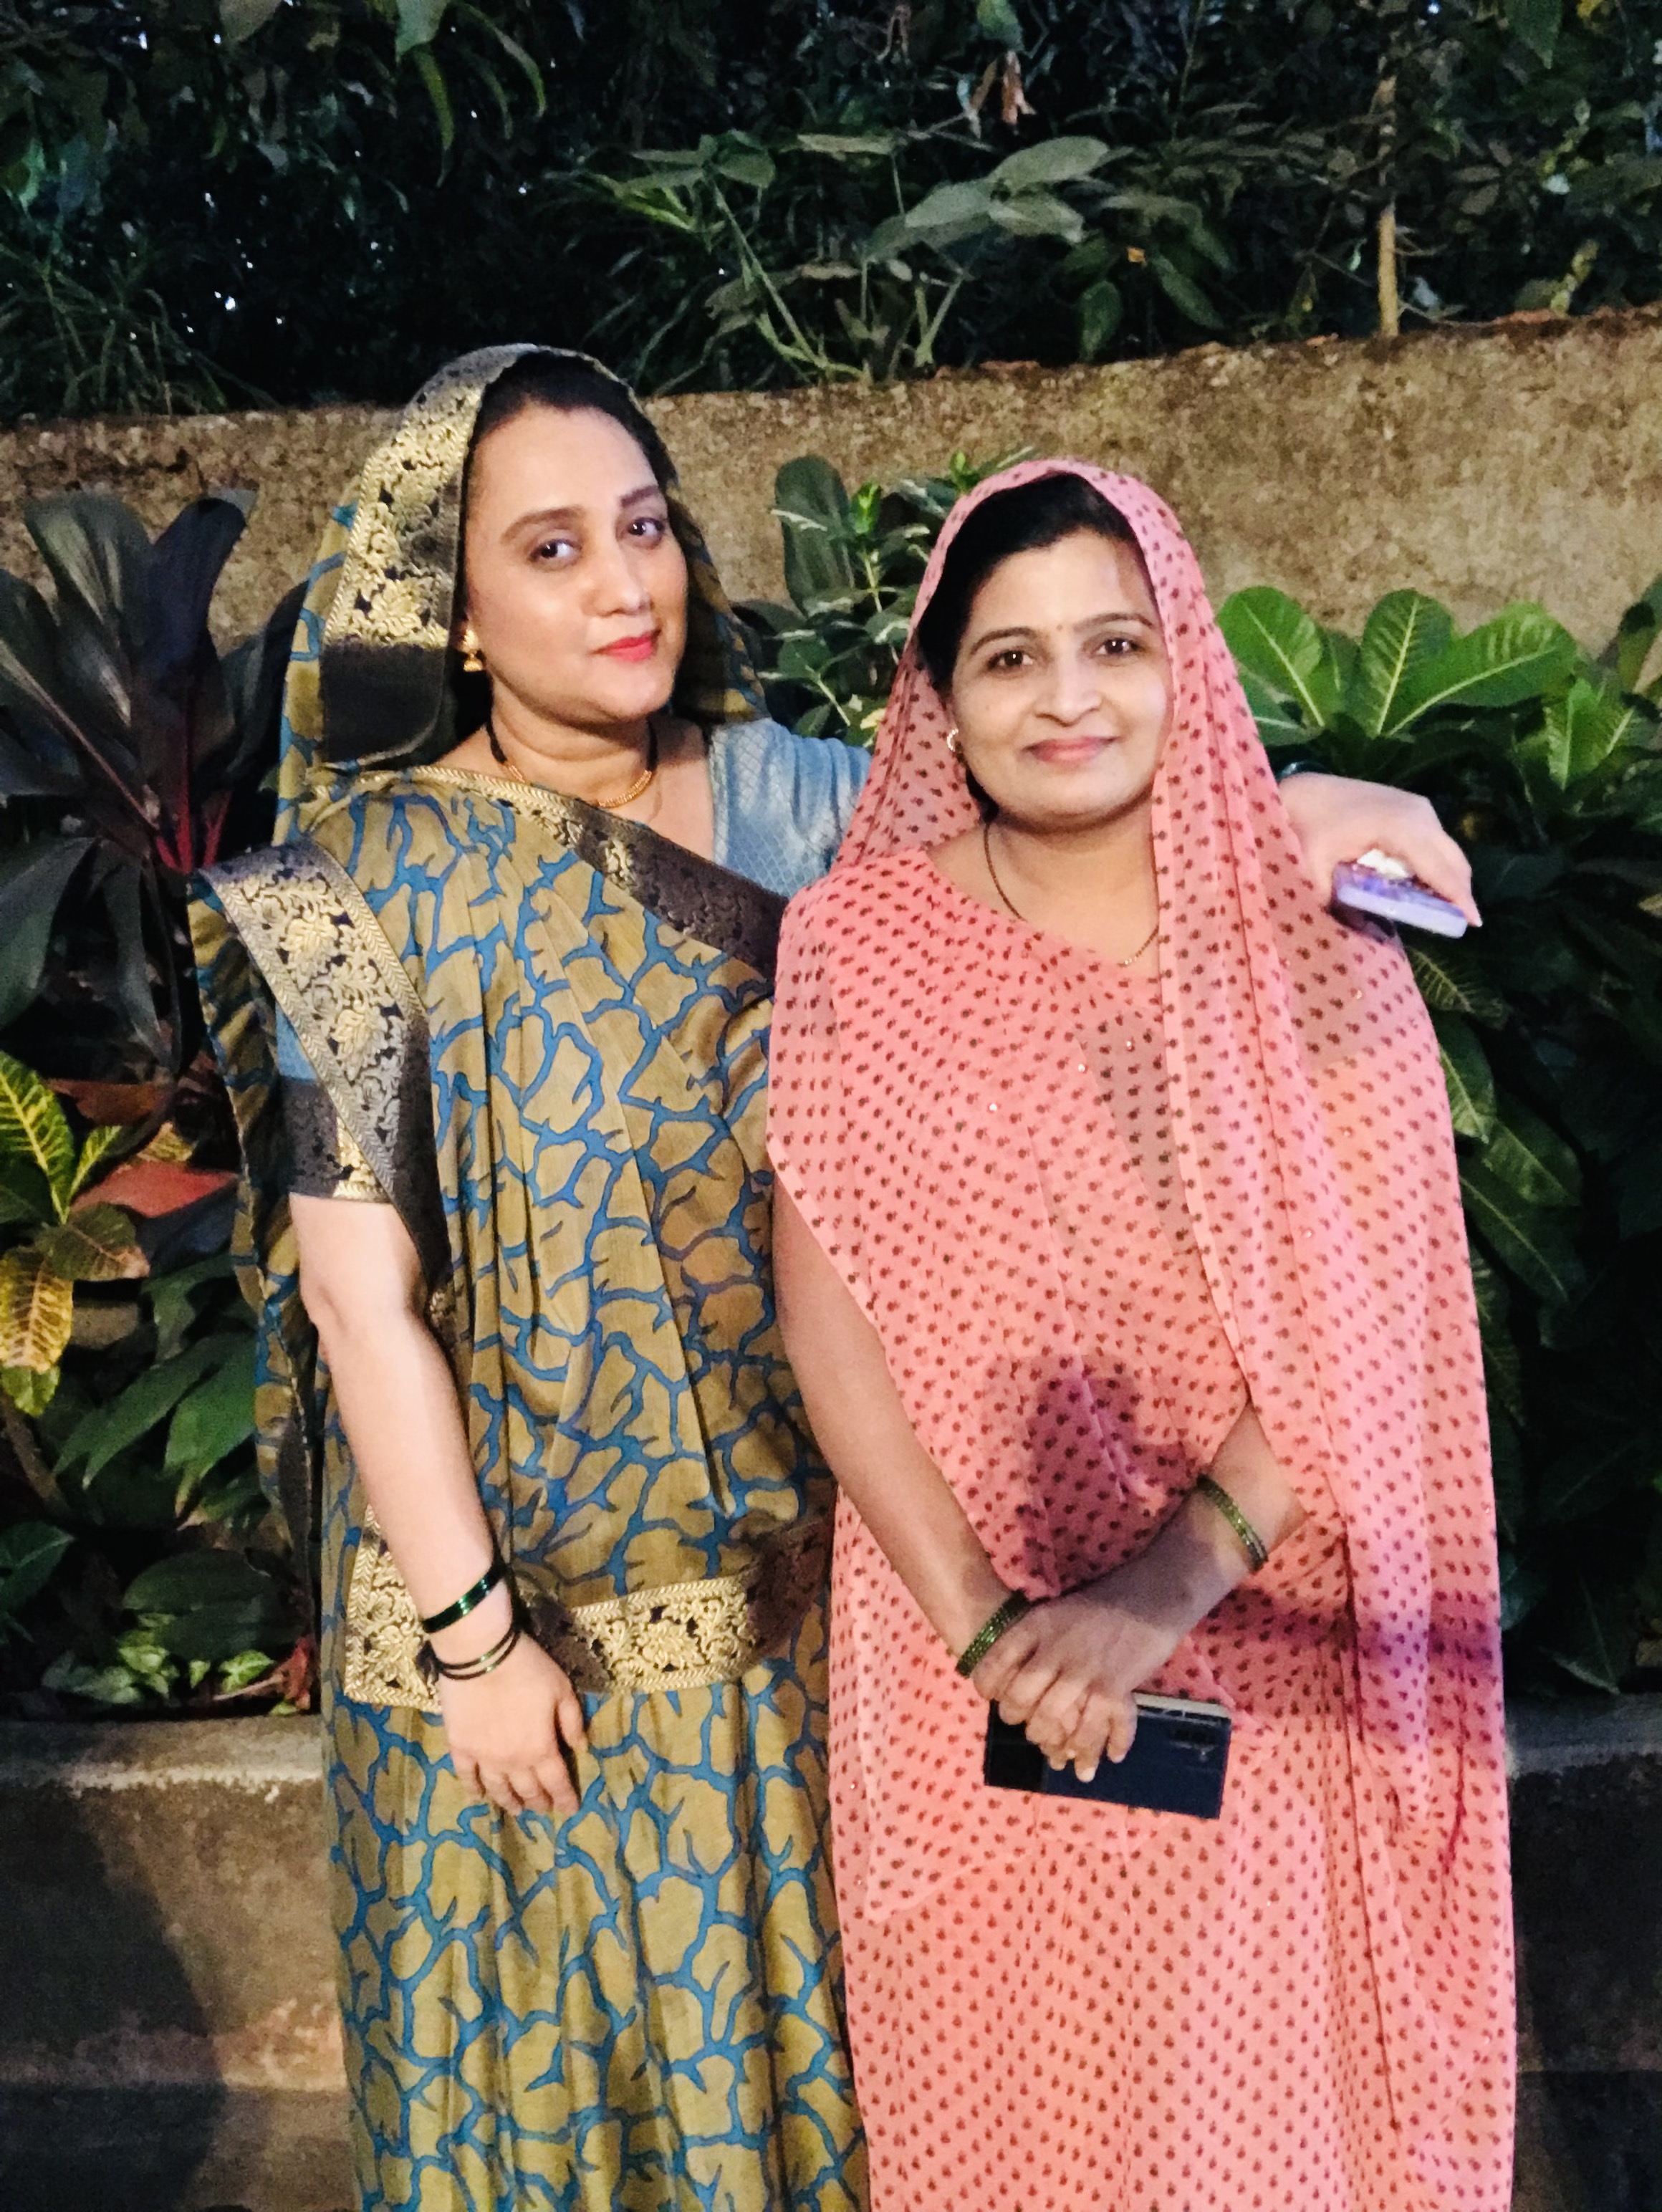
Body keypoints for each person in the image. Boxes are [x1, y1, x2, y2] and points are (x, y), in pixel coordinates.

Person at [191, 346, 1485, 2212]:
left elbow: (1056, 782)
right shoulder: (343, 895)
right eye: (550, 549)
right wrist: (473, 1639)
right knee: (532, 2129)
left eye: (644, 526)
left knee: (816, 2122)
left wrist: (1293, 802)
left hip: (790, 1623)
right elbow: (355, 1296)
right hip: (502, 1643)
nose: (623, 585)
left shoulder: (793, 808)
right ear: (449, 610)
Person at [767, 462, 1514, 2212]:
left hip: (1252, 1632)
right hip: (966, 1651)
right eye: (1008, 656)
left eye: (1115, 643)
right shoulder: (857, 939)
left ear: (1184, 656)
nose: (1068, 697)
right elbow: (828, 1302)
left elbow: (1362, 1303)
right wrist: (990, 1625)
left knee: (1233, 2124)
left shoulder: (1313, 934)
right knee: (1016, 2109)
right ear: (938, 697)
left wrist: (1150, 1598)